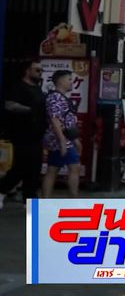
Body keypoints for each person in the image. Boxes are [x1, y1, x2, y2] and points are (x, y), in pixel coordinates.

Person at [0, 60, 45, 207]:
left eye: (41, 70)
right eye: (37, 70)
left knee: (34, 168)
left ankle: (29, 200)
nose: (40, 73)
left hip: (36, 134)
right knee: (21, 166)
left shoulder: (38, 89)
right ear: (27, 70)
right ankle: (2, 190)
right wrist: (30, 110)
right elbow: (9, 105)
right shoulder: (18, 87)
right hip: (21, 134)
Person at [41, 70, 82, 199]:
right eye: (69, 79)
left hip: (62, 138)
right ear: (60, 81)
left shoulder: (60, 97)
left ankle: (45, 200)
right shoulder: (55, 98)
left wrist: (74, 140)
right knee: (74, 167)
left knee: (53, 169)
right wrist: (63, 142)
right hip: (60, 139)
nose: (71, 82)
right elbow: (55, 120)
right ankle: (73, 199)